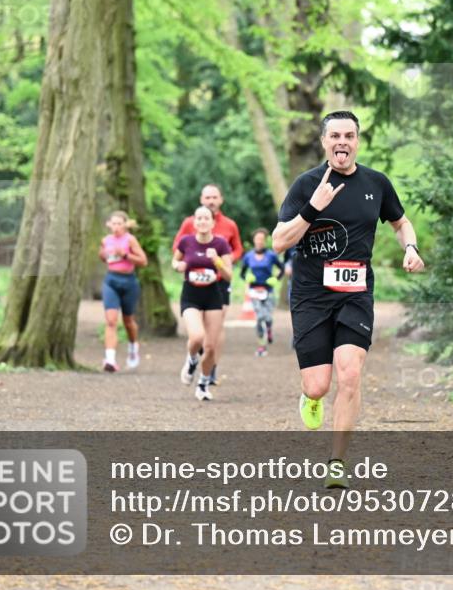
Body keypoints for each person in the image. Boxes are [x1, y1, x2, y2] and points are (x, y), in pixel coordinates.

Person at [272, 110, 425, 488]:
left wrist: (410, 247)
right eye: (335, 135)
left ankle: (336, 462)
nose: (342, 142)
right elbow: (279, 242)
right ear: (324, 142)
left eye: (350, 135)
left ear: (358, 141)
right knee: (318, 385)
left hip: (356, 294)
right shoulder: (306, 185)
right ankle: (311, 399)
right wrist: (313, 208)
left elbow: (401, 222)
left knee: (351, 373)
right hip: (311, 296)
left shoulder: (376, 183)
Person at [173, 184, 243, 386]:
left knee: (216, 328)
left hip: (220, 281)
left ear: (221, 200)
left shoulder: (229, 225)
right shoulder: (189, 224)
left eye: (214, 197)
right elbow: (178, 247)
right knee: (197, 332)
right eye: (207, 197)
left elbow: (237, 250)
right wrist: (183, 265)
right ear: (201, 200)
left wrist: (223, 260)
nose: (211, 201)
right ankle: (196, 358)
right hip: (195, 280)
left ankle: (211, 369)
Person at [99, 211, 148, 372]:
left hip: (129, 282)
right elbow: (103, 257)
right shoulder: (105, 240)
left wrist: (125, 255)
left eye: (119, 224)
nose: (116, 227)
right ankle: (110, 359)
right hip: (111, 281)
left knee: (128, 322)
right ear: (109, 224)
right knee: (111, 320)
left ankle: (133, 348)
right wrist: (103, 254)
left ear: (125, 225)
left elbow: (143, 261)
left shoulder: (130, 239)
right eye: (113, 223)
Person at [239, 228, 285, 356]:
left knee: (268, 318)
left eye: (262, 239)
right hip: (254, 291)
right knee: (260, 318)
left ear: (265, 241)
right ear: (254, 240)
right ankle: (261, 346)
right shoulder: (248, 256)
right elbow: (242, 274)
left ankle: (269, 329)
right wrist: (247, 278)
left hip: (268, 291)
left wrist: (275, 279)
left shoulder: (271, 255)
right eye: (257, 239)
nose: (259, 241)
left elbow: (282, 269)